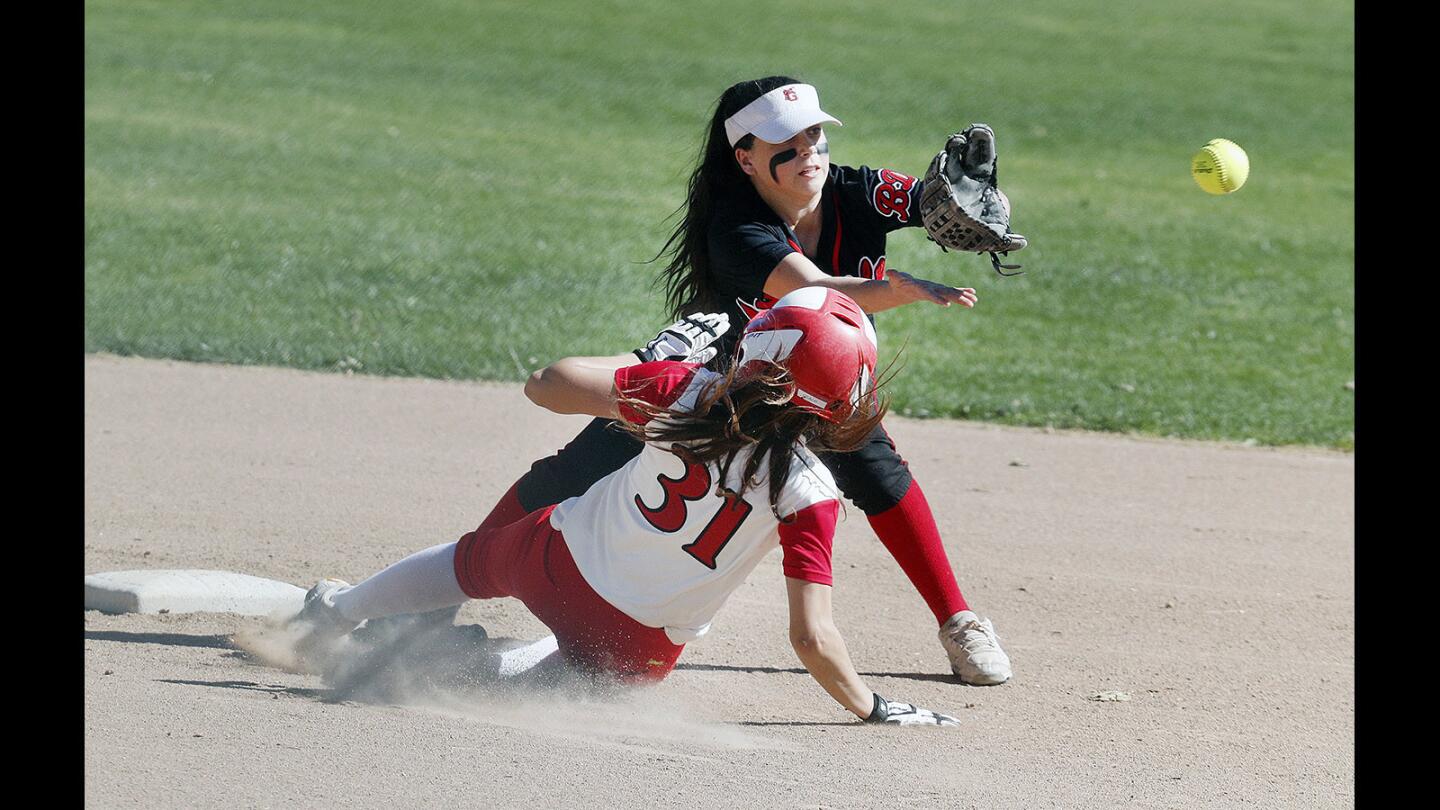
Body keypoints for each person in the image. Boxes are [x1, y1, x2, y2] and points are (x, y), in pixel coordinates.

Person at [472, 76, 1013, 684]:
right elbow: (811, 289)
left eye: (814, 133)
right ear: (746, 158)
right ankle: (448, 582)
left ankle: (960, 621)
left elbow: (924, 200)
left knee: (878, 472)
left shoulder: (857, 189)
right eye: (786, 140)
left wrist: (961, 203)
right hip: (725, 379)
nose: (807, 149)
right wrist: (900, 290)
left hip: (822, 378)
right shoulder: (734, 228)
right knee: (585, 464)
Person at [293, 287, 959, 725]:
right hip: (637, 650)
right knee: (566, 676)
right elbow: (812, 639)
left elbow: (546, 385)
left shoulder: (686, 391)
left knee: (472, 562)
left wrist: (655, 357)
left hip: (555, 563)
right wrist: (873, 706)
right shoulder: (811, 493)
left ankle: (337, 612)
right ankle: (451, 674)